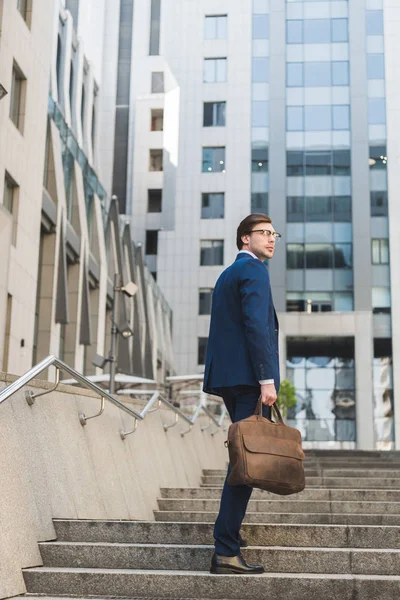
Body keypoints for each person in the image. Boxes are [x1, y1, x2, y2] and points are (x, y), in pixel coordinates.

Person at [203, 213, 281, 575]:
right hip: (250, 379)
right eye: (262, 233)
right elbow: (255, 326)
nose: (271, 238)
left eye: (273, 233)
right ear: (244, 239)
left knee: (241, 457)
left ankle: (228, 536)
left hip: (229, 377)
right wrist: (267, 379)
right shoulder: (253, 271)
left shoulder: (227, 274)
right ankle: (226, 549)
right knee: (245, 464)